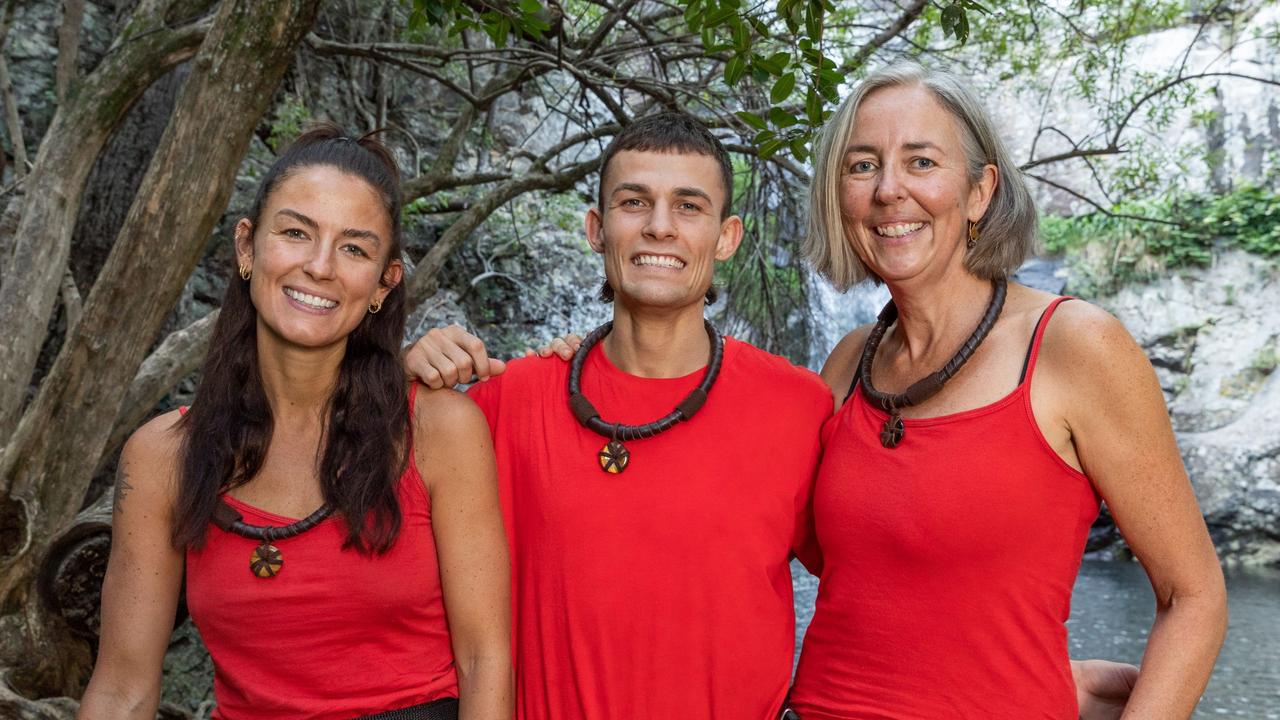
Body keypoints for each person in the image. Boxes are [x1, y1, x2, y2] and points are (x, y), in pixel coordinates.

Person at [404, 112, 1142, 719]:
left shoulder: (802, 405)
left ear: (726, 238)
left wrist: (1022, 683)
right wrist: (401, 372)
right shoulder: (501, 404)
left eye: (689, 207)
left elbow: (888, 566)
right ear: (597, 230)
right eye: (634, 203)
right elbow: (351, 528)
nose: (660, 227)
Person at [787, 63, 1227, 719]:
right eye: (861, 166)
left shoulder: (1075, 345)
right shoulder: (850, 360)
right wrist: (589, 365)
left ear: (979, 191)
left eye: (922, 161)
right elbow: (869, 575)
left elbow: (1194, 596)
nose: (888, 190)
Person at [79, 126, 512, 720]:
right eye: (295, 233)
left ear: (385, 283)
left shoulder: (439, 431)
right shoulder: (162, 456)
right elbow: (123, 690)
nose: (319, 266)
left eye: (354, 249)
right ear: (247, 248)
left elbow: (485, 661)